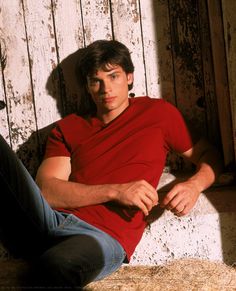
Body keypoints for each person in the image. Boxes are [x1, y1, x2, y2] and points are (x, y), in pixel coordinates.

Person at [0, 39, 222, 289]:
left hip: (101, 235)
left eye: (113, 76)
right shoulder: (68, 128)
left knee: (54, 265)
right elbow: (48, 192)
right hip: (49, 221)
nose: (105, 88)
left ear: (129, 77)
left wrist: (193, 186)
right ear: (87, 86)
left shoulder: (158, 114)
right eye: (96, 80)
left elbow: (209, 155)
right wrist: (116, 191)